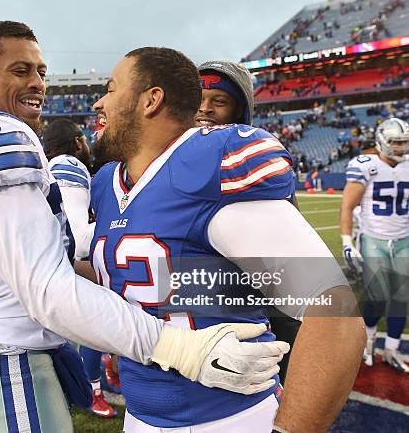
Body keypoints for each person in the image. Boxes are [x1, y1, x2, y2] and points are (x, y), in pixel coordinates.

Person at [0, 21, 289, 432]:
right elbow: (49, 289)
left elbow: (326, 307)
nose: (40, 83)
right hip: (5, 359)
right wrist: (180, 346)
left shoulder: (220, 160)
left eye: (41, 71)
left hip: (224, 408)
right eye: (21, 70)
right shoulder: (35, 153)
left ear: (151, 101)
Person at [91, 47, 365, 432]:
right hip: (139, 414)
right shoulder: (106, 183)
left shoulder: (213, 164)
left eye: (111, 88)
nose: (99, 102)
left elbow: (335, 315)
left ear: (152, 100)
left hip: (224, 417)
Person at [195, 59, 302, 385]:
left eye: (219, 101)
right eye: (198, 98)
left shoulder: (253, 155)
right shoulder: (169, 155)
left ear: (239, 111)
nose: (205, 108)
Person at [43, 119, 117, 418]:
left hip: (56, 263)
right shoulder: (69, 164)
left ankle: (100, 379)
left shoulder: (56, 165)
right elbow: (72, 233)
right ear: (76, 142)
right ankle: (92, 390)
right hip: (70, 264)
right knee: (95, 325)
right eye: (83, 139)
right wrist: (120, 230)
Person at [341, 117, 409, 373]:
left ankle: (391, 348)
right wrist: (347, 241)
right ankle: (367, 341)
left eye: (405, 142)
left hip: (403, 238)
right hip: (373, 238)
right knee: (377, 296)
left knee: (402, 296)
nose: (402, 147)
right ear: (383, 141)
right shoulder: (366, 165)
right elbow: (348, 206)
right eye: (397, 142)